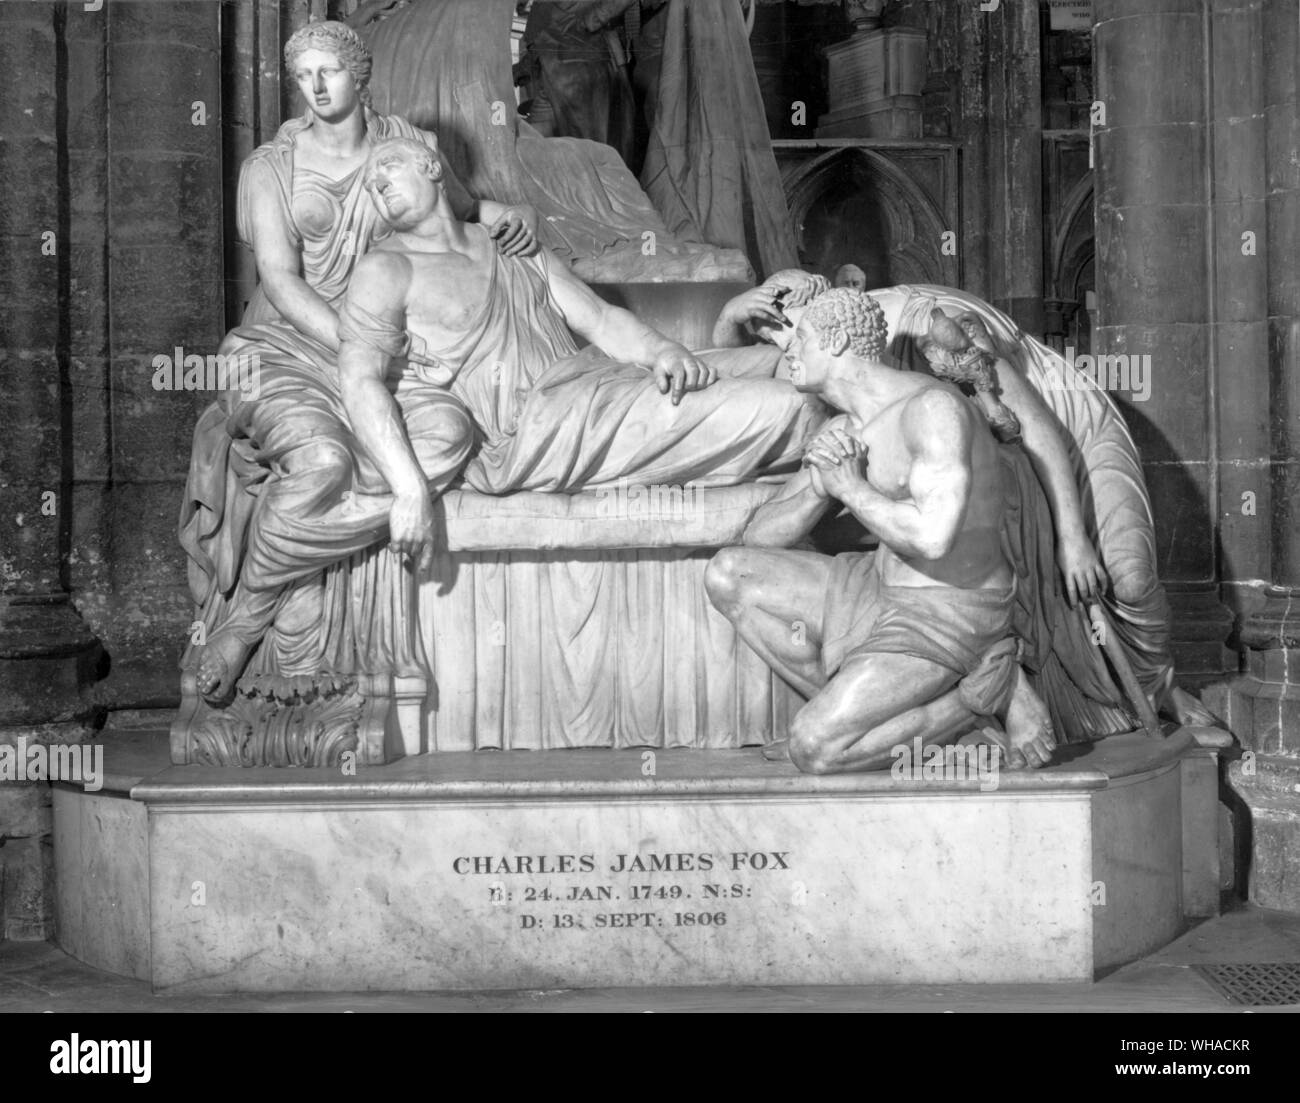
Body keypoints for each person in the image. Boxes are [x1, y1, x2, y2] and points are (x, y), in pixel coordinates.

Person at [181, 21, 538, 705]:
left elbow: (459, 212)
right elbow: (282, 284)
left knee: (450, 436)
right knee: (321, 463)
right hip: (287, 349)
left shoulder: (406, 147)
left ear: (360, 75)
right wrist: (361, 339)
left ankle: (318, 543)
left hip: (382, 357)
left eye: (329, 72)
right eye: (303, 76)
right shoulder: (270, 168)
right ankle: (245, 620)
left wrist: (509, 214)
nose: (315, 87)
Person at [711, 276, 1215, 734]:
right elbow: (726, 371)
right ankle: (900, 717)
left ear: (832, 331)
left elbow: (1037, 434)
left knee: (1126, 576)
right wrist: (733, 313)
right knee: (741, 578)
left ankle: (1158, 685)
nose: (784, 351)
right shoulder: (829, 392)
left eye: (790, 336)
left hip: (1057, 452)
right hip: (952, 531)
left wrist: (1071, 535)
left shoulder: (934, 327)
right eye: (775, 338)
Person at [704, 289, 1056, 773]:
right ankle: (870, 719)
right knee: (729, 574)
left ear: (840, 340)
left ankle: (983, 691)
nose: (789, 351)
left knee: (813, 749)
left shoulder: (931, 411)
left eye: (801, 338)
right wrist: (820, 487)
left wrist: (851, 490)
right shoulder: (850, 425)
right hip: (875, 590)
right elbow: (757, 540)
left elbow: (933, 538)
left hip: (947, 614)